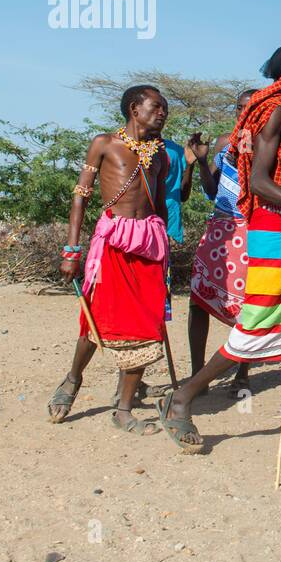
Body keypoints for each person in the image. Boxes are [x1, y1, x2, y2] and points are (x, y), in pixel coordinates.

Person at [156, 45, 281, 460]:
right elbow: (260, 182)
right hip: (275, 232)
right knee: (256, 328)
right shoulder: (279, 110)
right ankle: (182, 398)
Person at [46, 85, 171, 435]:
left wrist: (165, 251)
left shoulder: (161, 154)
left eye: (164, 109)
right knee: (96, 318)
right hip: (113, 242)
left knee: (147, 325)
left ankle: (123, 408)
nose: (163, 113)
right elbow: (80, 198)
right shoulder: (104, 144)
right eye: (156, 107)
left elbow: (159, 205)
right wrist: (72, 250)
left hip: (149, 244)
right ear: (135, 109)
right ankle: (72, 380)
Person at [187, 88, 255, 394]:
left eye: (252, 108)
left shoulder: (270, 144)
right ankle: (197, 372)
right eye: (241, 108)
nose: (245, 113)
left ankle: (243, 371)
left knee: (248, 305)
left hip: (252, 229)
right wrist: (202, 162)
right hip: (220, 228)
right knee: (198, 299)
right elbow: (212, 190)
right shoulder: (224, 142)